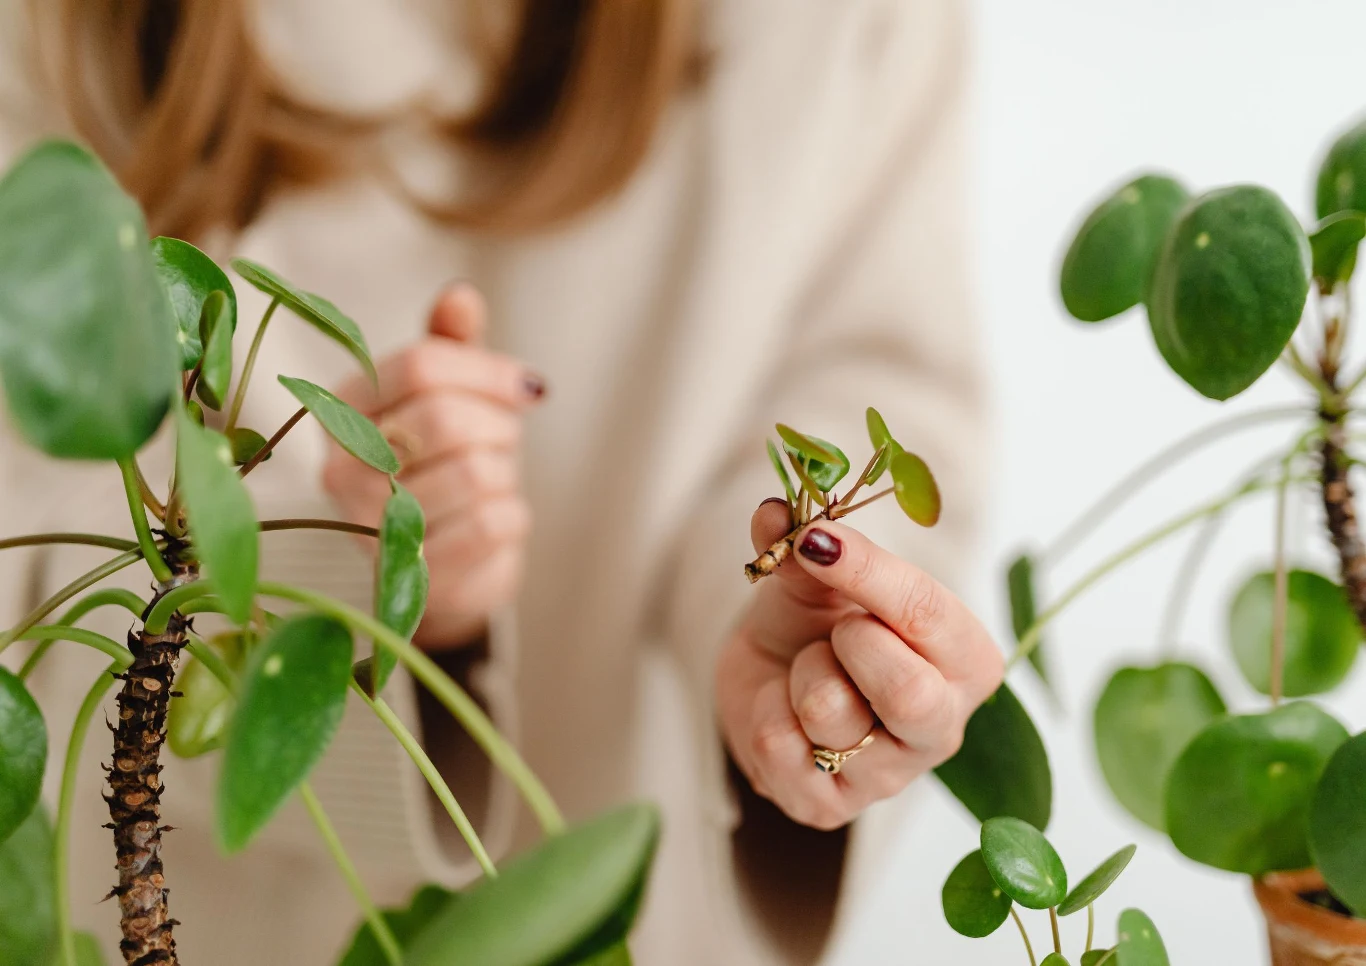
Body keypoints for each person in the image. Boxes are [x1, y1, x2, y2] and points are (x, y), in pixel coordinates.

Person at [0, 1, 1002, 963]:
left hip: (636, 865)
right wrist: (361, 597)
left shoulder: (842, 22)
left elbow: (868, 378)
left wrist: (814, 635)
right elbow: (33, 534)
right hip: (196, 911)